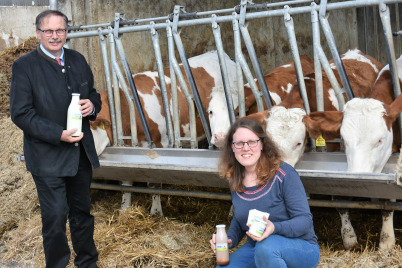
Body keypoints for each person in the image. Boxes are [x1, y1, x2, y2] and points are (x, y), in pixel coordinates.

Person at [10, 10, 101, 268]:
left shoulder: (77, 59)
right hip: (47, 157)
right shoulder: (24, 66)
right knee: (56, 217)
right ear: (38, 33)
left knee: (82, 214)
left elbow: (93, 94)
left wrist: (91, 106)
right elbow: (21, 114)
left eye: (60, 30)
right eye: (48, 31)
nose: (55, 36)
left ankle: (87, 263)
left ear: (67, 32)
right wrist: (58, 134)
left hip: (80, 152)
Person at [210, 118, 320, 268]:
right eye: (239, 143)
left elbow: (305, 220)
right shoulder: (234, 178)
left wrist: (274, 228)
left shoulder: (284, 174)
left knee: (267, 247)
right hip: (258, 247)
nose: (245, 148)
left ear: (262, 144)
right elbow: (240, 217)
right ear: (232, 147)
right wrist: (228, 240)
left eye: (252, 142)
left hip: (301, 248)